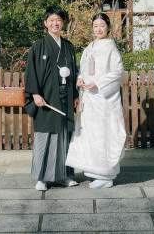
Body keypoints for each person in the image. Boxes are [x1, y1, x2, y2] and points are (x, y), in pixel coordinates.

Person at [65, 13, 127, 188]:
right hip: (89, 99)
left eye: (102, 25)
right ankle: (95, 172)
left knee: (104, 134)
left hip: (103, 99)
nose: (98, 29)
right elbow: (82, 69)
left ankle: (106, 175)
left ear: (108, 27)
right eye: (95, 26)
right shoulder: (90, 46)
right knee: (91, 135)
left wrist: (97, 83)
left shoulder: (110, 48)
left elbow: (117, 72)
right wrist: (79, 78)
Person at [24, 6, 80, 191]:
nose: (55, 23)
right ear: (45, 23)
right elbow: (31, 72)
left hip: (65, 96)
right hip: (46, 98)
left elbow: (73, 73)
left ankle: (63, 175)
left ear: (63, 23)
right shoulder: (38, 46)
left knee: (64, 136)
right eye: (52, 20)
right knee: (45, 136)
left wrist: (76, 96)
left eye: (59, 20)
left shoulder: (69, 46)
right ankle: (41, 177)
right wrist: (35, 94)